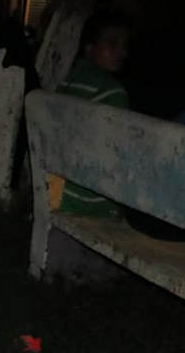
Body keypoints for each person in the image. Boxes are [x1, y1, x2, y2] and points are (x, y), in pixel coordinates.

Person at [54, 11, 131, 217]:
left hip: (54, 186)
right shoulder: (111, 91)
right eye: (111, 44)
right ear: (89, 47)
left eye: (124, 45)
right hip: (86, 198)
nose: (121, 52)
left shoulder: (67, 79)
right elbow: (118, 151)